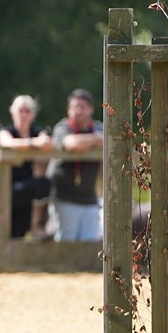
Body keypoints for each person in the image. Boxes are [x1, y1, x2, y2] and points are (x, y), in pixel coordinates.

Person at [47, 88, 104, 241]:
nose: (78, 111)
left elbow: (110, 141)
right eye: (75, 107)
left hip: (89, 199)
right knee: (67, 244)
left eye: (82, 107)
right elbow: (71, 144)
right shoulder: (63, 127)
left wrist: (91, 140)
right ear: (68, 109)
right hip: (64, 198)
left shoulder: (98, 128)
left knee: (90, 244)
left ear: (91, 109)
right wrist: (95, 140)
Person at [0, 95, 54, 238]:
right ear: (12, 112)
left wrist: (39, 142)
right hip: (7, 189)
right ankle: (37, 227)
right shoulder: (6, 131)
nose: (23, 114)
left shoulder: (37, 132)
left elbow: (47, 142)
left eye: (27, 110)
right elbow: (6, 142)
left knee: (19, 233)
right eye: (20, 110)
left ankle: (38, 225)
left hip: (27, 190)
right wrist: (33, 143)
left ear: (33, 114)